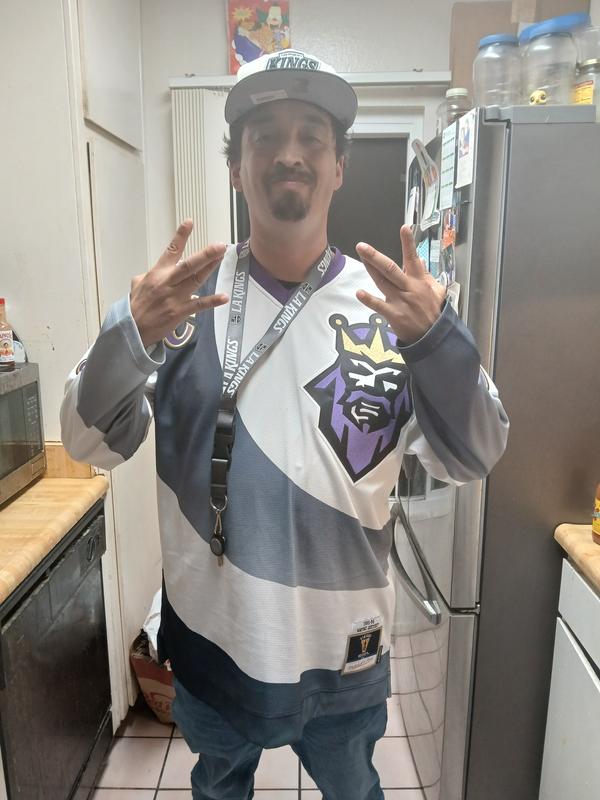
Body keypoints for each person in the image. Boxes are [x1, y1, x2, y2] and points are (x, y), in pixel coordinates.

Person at [61, 49, 508, 800]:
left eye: (311, 136)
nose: (289, 153)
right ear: (237, 167)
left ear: (338, 167)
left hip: (347, 659)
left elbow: (476, 456)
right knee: (218, 789)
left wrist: (441, 342)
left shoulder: (394, 312)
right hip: (215, 646)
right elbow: (86, 444)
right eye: (265, 136)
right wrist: (127, 333)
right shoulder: (179, 306)